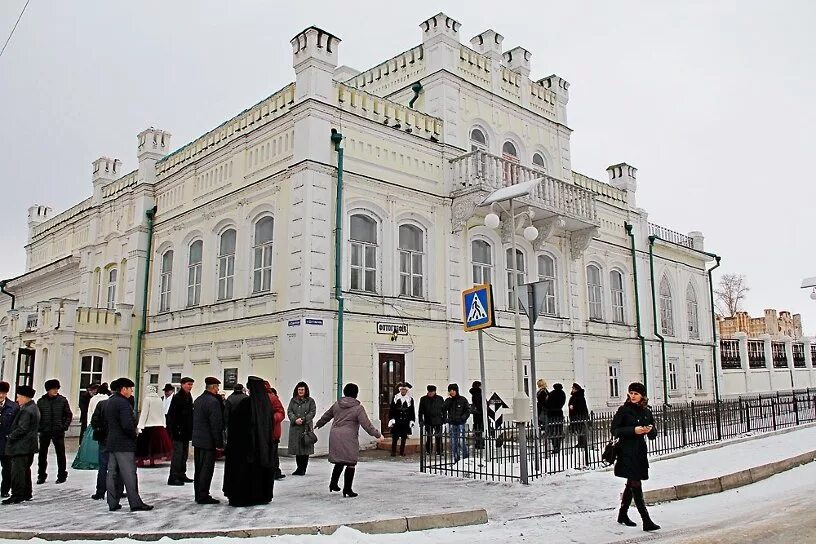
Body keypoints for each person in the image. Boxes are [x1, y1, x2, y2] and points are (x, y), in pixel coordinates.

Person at [314, 383, 381, 498]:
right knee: (350, 463)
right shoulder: (358, 408)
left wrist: (318, 424)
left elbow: (327, 416)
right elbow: (367, 425)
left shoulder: (337, 404)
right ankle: (347, 489)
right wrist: (377, 435)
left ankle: (333, 483)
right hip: (349, 437)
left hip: (335, 435)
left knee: (340, 460)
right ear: (356, 393)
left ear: (344, 392)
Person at [612, 382, 659, 532]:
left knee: (631, 483)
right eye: (631, 393)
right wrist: (633, 430)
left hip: (639, 451)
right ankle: (646, 520)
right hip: (626, 451)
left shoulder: (646, 411)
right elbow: (615, 430)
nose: (633, 396)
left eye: (636, 394)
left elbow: (653, 434)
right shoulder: (624, 410)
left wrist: (650, 430)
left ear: (642, 396)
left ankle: (622, 514)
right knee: (636, 483)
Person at [223, 376, 275, 507]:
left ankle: (245, 496)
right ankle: (261, 495)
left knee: (244, 472)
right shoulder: (266, 404)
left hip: (245, 448)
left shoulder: (246, 404)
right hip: (262, 447)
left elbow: (235, 425)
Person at [104, 378, 153, 512]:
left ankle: (112, 501)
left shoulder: (109, 402)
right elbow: (127, 425)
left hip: (112, 442)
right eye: (130, 388)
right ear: (123, 389)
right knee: (129, 474)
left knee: (112, 473)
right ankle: (135, 502)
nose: (132, 391)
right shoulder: (123, 403)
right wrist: (134, 435)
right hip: (124, 444)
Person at [2, 385, 39, 504]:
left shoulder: (26, 410)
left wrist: (10, 436)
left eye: (19, 397)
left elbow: (22, 428)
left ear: (25, 397)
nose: (17, 400)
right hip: (29, 446)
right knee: (25, 470)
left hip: (21, 447)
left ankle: (17, 495)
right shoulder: (34, 407)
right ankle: (27, 493)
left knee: (18, 472)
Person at [192, 377, 224, 505]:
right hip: (208, 441)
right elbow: (215, 424)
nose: (218, 390)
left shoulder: (198, 400)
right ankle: (203, 495)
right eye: (217, 387)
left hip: (198, 440)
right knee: (206, 469)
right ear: (213, 387)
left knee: (198, 469)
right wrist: (219, 443)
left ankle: (198, 493)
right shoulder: (213, 402)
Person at [36, 379, 73, 485]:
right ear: (48, 390)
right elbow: (38, 416)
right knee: (42, 455)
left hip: (58, 431)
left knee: (61, 454)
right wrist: (40, 427)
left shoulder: (62, 400)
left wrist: (64, 426)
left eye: (57, 388)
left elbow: (68, 415)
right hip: (45, 431)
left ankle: (62, 475)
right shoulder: (41, 402)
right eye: (53, 389)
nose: (56, 390)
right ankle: (41, 475)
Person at [136, 385, 173, 467]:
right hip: (159, 426)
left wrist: (140, 426)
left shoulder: (147, 399)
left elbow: (144, 413)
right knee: (155, 447)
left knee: (145, 446)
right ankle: (152, 461)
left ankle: (141, 461)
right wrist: (163, 424)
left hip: (148, 426)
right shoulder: (159, 399)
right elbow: (162, 412)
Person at [166, 377, 194, 486]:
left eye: (191, 384)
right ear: (182, 384)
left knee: (184, 455)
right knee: (177, 455)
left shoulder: (189, 396)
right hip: (178, 431)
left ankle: (182, 474)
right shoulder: (177, 397)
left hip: (186, 431)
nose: (190, 386)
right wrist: (174, 429)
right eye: (188, 384)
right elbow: (172, 415)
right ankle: (173, 476)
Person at [287, 381, 316, 475]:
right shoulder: (293, 400)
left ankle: (303, 468)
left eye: (302, 389)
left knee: (305, 448)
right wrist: (295, 419)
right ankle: (299, 468)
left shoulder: (310, 401)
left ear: (305, 390)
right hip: (295, 428)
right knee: (297, 449)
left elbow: (312, 412)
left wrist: (303, 419)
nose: (300, 391)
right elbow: (289, 411)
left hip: (305, 427)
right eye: (299, 389)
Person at [89, 383, 112, 500]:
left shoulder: (100, 403)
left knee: (103, 466)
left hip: (103, 439)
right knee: (116, 467)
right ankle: (116, 490)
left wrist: (100, 430)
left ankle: (100, 491)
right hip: (115, 440)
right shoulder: (119, 404)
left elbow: (94, 420)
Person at [0, 381, 20, 498]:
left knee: (7, 469)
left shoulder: (13, 407)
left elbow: (17, 425)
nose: (1, 395)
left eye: (3, 393)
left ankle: (5, 489)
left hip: (7, 443)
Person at [443, 383, 470, 463]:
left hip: (461, 423)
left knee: (462, 441)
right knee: (454, 442)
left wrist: (463, 418)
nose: (452, 392)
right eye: (450, 391)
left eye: (453, 390)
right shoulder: (448, 400)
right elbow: (443, 408)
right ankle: (456, 459)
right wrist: (449, 400)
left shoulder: (462, 399)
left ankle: (465, 458)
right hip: (452, 423)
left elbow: (467, 411)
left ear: (456, 391)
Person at [387, 382, 415, 457]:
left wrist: (412, 420)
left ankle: (402, 451)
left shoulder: (410, 399)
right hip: (397, 420)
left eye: (404, 390)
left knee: (404, 437)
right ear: (400, 390)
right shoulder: (395, 397)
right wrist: (391, 418)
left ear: (407, 391)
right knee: (395, 437)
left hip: (405, 421)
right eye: (402, 389)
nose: (403, 391)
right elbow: (392, 409)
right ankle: (393, 451)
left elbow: (412, 410)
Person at [265, 385, 286, 481]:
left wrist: (272, 419)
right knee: (273, 454)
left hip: (273, 432)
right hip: (271, 433)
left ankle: (275, 472)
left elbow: (281, 413)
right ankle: (275, 472)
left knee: (273, 454)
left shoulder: (273, 399)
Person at [418, 385, 444, 456]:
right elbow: (420, 411)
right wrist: (420, 420)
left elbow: (443, 410)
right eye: (429, 392)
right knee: (429, 436)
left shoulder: (440, 398)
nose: (430, 393)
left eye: (432, 392)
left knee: (438, 436)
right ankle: (428, 450)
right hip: (428, 420)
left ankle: (439, 451)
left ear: (435, 392)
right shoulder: (423, 399)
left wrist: (444, 419)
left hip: (438, 420)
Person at [568, 383, 590, 466]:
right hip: (575, 416)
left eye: (573, 388)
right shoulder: (575, 396)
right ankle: (580, 442)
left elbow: (581, 407)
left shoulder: (579, 397)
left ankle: (582, 442)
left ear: (576, 389)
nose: (572, 389)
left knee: (581, 429)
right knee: (578, 429)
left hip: (579, 416)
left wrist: (573, 407)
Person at [544, 382, 566, 454]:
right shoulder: (563, 394)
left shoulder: (551, 394)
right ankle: (558, 446)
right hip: (559, 413)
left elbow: (547, 403)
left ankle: (555, 446)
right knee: (558, 430)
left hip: (552, 414)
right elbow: (563, 402)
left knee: (553, 431)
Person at [469, 381, 484, 450]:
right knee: (480, 429)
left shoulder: (474, 393)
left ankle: (478, 443)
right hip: (480, 413)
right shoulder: (479, 394)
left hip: (477, 414)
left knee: (478, 429)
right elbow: (480, 404)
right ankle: (480, 443)